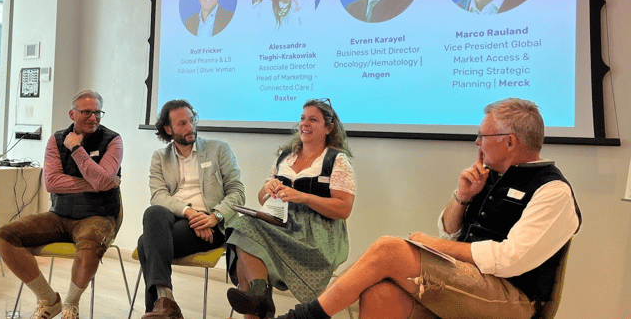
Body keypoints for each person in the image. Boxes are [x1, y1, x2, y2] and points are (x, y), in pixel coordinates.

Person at [273, 98, 581, 319]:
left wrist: (433, 245)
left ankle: (306, 316)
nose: (477, 142)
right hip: (469, 282)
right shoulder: (489, 176)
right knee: (380, 294)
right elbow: (449, 231)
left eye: (483, 136)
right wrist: (462, 197)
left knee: (390, 249)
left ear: (510, 142)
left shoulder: (552, 190)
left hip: (514, 299)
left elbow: (508, 260)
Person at [0, 90, 122, 319]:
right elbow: (52, 182)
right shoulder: (56, 139)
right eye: (86, 112)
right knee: (3, 236)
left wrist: (76, 149)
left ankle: (71, 304)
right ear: (72, 114)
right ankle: (49, 299)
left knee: (90, 246)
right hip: (59, 215)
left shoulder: (113, 140)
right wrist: (96, 183)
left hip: (98, 215)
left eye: (97, 112)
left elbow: (101, 179)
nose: (93, 117)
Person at [225, 98, 356, 319]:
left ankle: (260, 297)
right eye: (302, 118)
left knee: (246, 241)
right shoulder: (286, 156)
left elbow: (344, 209)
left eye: (313, 120)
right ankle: (259, 293)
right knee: (242, 225)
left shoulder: (337, 160)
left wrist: (303, 197)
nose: (305, 124)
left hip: (318, 235)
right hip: (281, 224)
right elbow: (262, 198)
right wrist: (268, 189)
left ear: (329, 127)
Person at [137, 99, 245, 319]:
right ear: (168, 129)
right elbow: (158, 196)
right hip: (177, 218)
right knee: (153, 212)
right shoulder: (160, 157)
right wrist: (189, 212)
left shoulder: (218, 149)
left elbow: (237, 192)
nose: (190, 127)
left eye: (192, 120)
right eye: (182, 124)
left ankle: (162, 306)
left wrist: (214, 216)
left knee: (144, 243)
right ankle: (165, 306)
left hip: (212, 223)